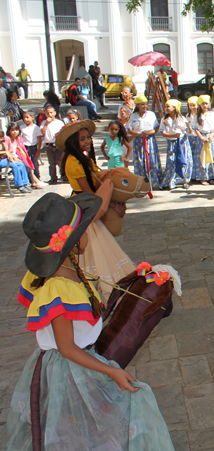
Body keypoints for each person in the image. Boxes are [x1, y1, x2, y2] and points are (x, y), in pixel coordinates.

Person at [5, 192, 174, 450]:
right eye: (85, 228)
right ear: (72, 244)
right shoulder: (58, 289)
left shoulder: (65, 271)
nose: (89, 231)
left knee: (86, 429)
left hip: (78, 362)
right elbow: (67, 348)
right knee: (78, 429)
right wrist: (112, 371)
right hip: (70, 370)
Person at [59, 120, 135, 298]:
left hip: (89, 203)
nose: (87, 141)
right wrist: (113, 204)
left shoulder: (84, 158)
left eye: (88, 138)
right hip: (83, 207)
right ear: (72, 142)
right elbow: (89, 193)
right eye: (82, 139)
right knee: (92, 246)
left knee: (100, 244)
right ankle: (93, 285)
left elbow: (98, 180)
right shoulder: (73, 162)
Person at [128, 96, 161, 189]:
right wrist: (139, 134)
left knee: (151, 160)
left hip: (149, 140)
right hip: (139, 141)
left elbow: (156, 128)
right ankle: (141, 183)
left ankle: (154, 182)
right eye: (142, 104)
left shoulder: (151, 114)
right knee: (139, 161)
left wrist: (148, 133)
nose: (144, 106)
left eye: (146, 104)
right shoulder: (133, 116)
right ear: (137, 105)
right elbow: (129, 130)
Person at [159, 99, 191, 190]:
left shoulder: (181, 119)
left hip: (182, 142)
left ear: (174, 108)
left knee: (183, 161)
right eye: (165, 107)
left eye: (168, 106)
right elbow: (163, 133)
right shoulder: (165, 120)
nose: (166, 108)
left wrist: (189, 127)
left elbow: (187, 131)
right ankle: (170, 181)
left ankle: (184, 180)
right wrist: (174, 135)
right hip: (172, 142)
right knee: (171, 161)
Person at [193, 94, 214, 185]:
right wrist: (201, 137)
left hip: (211, 137)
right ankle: (202, 177)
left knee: (212, 156)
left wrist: (211, 136)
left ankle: (211, 176)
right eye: (203, 104)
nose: (205, 106)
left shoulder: (212, 114)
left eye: (206, 103)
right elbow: (195, 128)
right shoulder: (197, 115)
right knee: (202, 157)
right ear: (200, 104)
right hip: (201, 138)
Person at [40, 105, 66, 184]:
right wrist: (46, 124)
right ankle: (53, 177)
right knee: (51, 163)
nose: (49, 114)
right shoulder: (44, 123)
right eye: (47, 113)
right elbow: (42, 132)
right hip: (49, 145)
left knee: (60, 161)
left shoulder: (59, 122)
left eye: (51, 112)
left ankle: (64, 176)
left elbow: (62, 132)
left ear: (54, 113)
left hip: (57, 144)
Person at [20, 111, 43, 181]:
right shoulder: (21, 127)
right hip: (25, 148)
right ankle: (28, 178)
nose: (25, 119)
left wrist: (38, 150)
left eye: (27, 117)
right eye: (24, 117)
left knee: (35, 164)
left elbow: (39, 140)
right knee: (26, 164)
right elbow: (20, 138)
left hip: (33, 147)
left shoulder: (36, 128)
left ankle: (37, 178)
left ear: (32, 118)